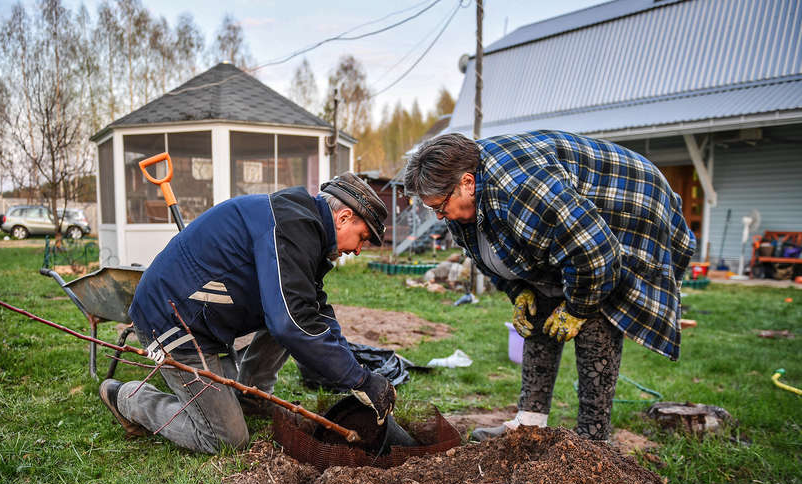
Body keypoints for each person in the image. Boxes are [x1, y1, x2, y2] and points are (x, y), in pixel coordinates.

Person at [404, 130, 695, 441]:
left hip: (632, 202)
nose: (438, 216)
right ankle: (529, 424)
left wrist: (577, 308)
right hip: (576, 223)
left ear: (467, 183)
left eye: (440, 206)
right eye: (432, 208)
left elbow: (596, 252)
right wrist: (519, 290)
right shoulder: (466, 205)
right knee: (538, 308)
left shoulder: (521, 190)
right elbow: (492, 254)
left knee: (596, 314)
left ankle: (594, 438)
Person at [99, 173, 397, 453]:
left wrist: (360, 374)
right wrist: (359, 380)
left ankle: (253, 397)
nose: (358, 249)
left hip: (202, 322)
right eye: (362, 237)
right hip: (172, 321)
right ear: (344, 218)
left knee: (293, 313)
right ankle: (129, 398)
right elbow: (290, 324)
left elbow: (310, 311)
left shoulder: (302, 229)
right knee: (226, 438)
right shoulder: (292, 227)